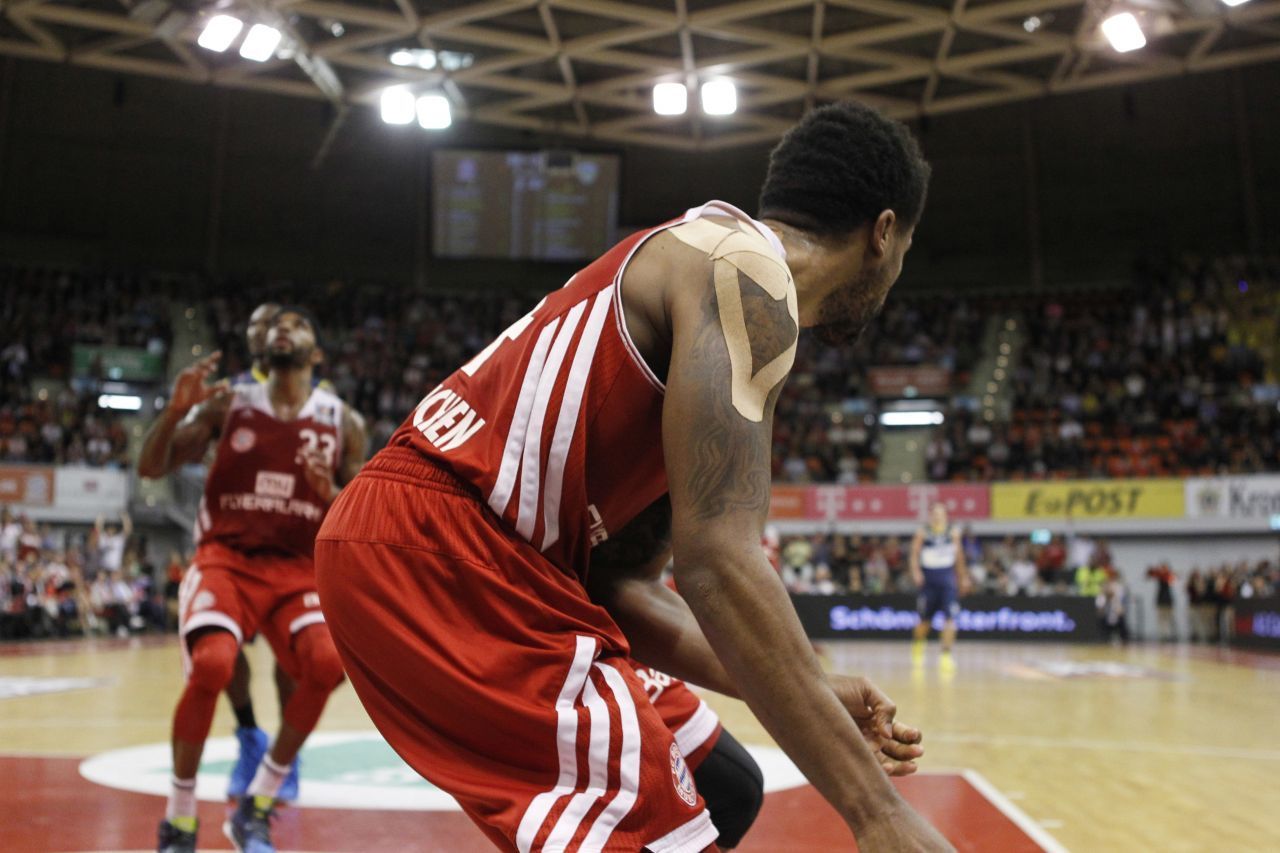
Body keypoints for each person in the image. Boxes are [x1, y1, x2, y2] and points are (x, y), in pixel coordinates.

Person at [316, 100, 949, 851]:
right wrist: (880, 813)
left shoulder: (707, 269)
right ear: (884, 233)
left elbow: (625, 589)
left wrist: (812, 685)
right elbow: (720, 562)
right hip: (453, 550)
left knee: (723, 784)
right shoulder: (748, 275)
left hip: (473, 554)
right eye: (905, 250)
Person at [139, 307, 367, 853]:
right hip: (228, 559)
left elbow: (361, 517)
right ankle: (181, 818)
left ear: (316, 353)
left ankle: (257, 805)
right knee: (215, 662)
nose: (284, 329)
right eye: (274, 326)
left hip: (295, 569)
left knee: (327, 663)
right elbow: (152, 468)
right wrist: (173, 415)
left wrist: (330, 494)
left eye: (299, 324)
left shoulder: (343, 422)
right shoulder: (229, 404)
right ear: (260, 349)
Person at [224, 302, 302, 804]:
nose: (260, 332)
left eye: (269, 325)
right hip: (235, 541)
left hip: (292, 542)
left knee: (291, 659)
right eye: (253, 325)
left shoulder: (315, 394)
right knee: (226, 649)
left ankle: (287, 757)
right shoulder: (229, 395)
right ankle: (250, 737)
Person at [909, 503, 970, 672]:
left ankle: (946, 655)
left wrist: (963, 578)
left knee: (950, 619)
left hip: (947, 582)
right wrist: (916, 572)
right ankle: (918, 646)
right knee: (924, 622)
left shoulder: (953, 533)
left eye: (940, 513)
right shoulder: (923, 533)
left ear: (945, 515)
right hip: (929, 582)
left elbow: (959, 558)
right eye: (935, 513)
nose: (937, 516)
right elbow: (914, 554)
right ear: (930, 516)